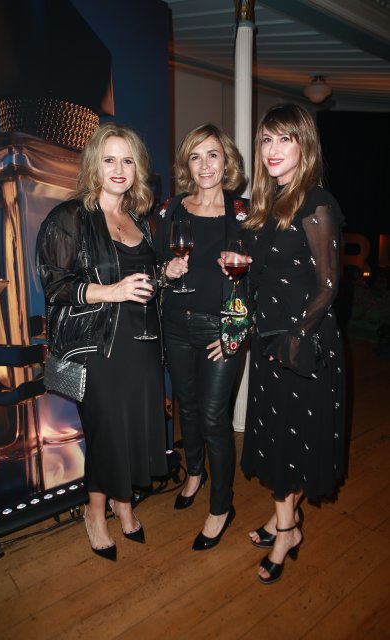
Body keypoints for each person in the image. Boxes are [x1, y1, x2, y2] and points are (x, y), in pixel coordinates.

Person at [221, 103, 345, 583]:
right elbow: (273, 266)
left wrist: (295, 338)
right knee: (282, 436)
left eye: (284, 139)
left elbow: (328, 286)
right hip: (273, 339)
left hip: (302, 342)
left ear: (304, 145)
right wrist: (240, 263)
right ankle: (282, 520)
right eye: (267, 140)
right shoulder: (268, 201)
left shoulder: (316, 203)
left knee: (290, 438)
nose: (272, 150)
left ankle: (287, 532)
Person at [36, 123, 168, 561]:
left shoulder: (139, 219)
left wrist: (166, 276)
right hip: (98, 348)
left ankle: (123, 503)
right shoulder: (70, 217)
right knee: (107, 431)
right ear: (94, 164)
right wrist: (111, 291)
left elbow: (144, 279)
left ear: (138, 168)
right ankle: (95, 511)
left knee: (132, 428)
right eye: (109, 159)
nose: (118, 168)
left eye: (127, 160)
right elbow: (55, 285)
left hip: (142, 343)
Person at [154, 123, 249, 551]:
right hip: (176, 324)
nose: (205, 165)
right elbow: (155, 264)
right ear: (187, 165)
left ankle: (221, 507)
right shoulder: (172, 208)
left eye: (213, 155)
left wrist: (235, 333)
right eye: (195, 156)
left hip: (220, 329)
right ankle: (195, 472)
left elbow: (260, 279)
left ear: (226, 161)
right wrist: (167, 271)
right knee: (187, 408)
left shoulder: (244, 213)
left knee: (213, 418)